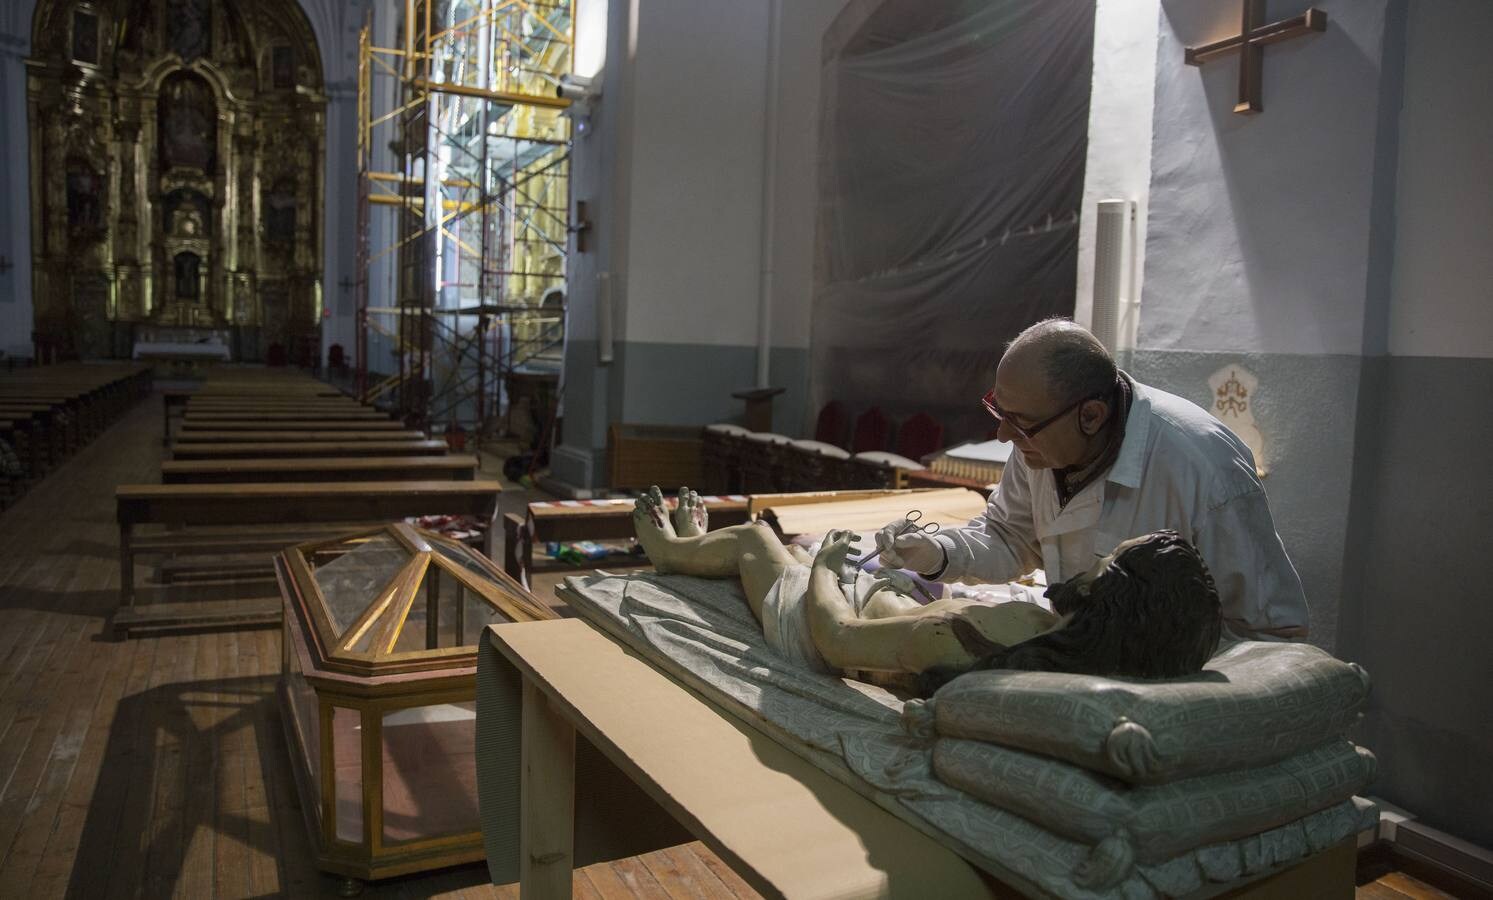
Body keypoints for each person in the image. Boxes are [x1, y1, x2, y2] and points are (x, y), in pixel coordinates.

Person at [878, 318, 1308, 640]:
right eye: (999, 412)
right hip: (1079, 657)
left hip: (1171, 692)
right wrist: (935, 552)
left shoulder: (1201, 467)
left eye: (1020, 423)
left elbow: (1271, 633)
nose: (1004, 435)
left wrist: (1159, 664)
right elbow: (1010, 537)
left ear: (1091, 415)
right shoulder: (1041, 445)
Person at [631, 487, 1222, 685]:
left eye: (1104, 562)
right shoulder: (1086, 653)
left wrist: (824, 572)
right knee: (793, 549)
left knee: (757, 542)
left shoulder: (975, 637)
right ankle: (691, 546)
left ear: (1108, 594)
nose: (1089, 562)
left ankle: (669, 552)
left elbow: (837, 636)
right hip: (892, 601)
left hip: (816, 630)